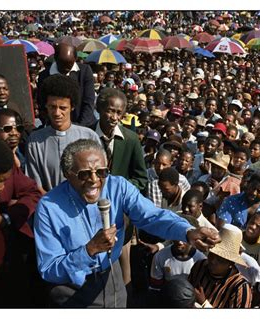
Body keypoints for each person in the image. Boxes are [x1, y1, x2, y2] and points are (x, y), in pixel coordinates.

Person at [34, 139, 220, 308]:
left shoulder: (118, 187)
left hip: (111, 276)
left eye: (101, 172)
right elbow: (49, 269)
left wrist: (187, 231)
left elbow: (152, 215)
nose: (94, 180)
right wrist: (89, 250)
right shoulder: (49, 207)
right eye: (84, 174)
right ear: (68, 174)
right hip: (72, 289)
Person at [0, 137, 42, 307]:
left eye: (5, 180)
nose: (1, 188)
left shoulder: (7, 167)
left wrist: (7, 217)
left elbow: (33, 193)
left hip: (16, 258)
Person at [26, 74, 101, 192]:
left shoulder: (90, 136)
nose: (57, 113)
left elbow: (99, 177)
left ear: (72, 107)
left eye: (63, 108)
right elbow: (35, 185)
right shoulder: (35, 141)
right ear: (46, 105)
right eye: (52, 107)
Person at [94, 88, 148, 191]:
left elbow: (141, 178)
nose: (114, 117)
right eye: (110, 111)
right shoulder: (87, 134)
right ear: (99, 109)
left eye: (119, 113)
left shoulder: (131, 139)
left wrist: (121, 190)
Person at [37, 42, 96, 127]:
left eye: (70, 64)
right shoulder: (44, 76)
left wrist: (80, 128)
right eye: (62, 63)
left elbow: (88, 102)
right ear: (56, 58)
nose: (66, 68)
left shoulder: (85, 72)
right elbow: (42, 104)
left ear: (75, 59)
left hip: (83, 124)